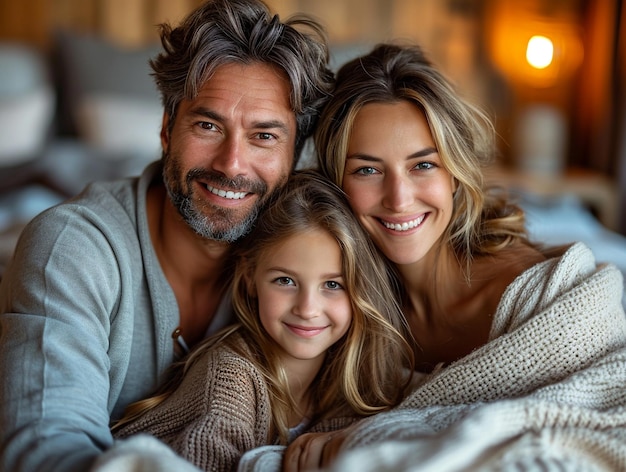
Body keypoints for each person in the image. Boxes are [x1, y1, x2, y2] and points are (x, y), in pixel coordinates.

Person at [238, 43, 626, 471]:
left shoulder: (543, 298)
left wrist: (375, 435)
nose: (399, 199)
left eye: (423, 165)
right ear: (334, 183)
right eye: (367, 169)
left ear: (455, 173)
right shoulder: (329, 302)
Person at [0, 1, 335, 471]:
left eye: (263, 136)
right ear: (165, 128)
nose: (231, 164)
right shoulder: (72, 248)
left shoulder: (318, 263)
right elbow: (43, 449)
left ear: (296, 156)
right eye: (207, 124)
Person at [100, 170, 414, 472]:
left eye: (333, 285)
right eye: (285, 281)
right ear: (250, 277)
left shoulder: (354, 377)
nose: (308, 309)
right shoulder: (230, 378)